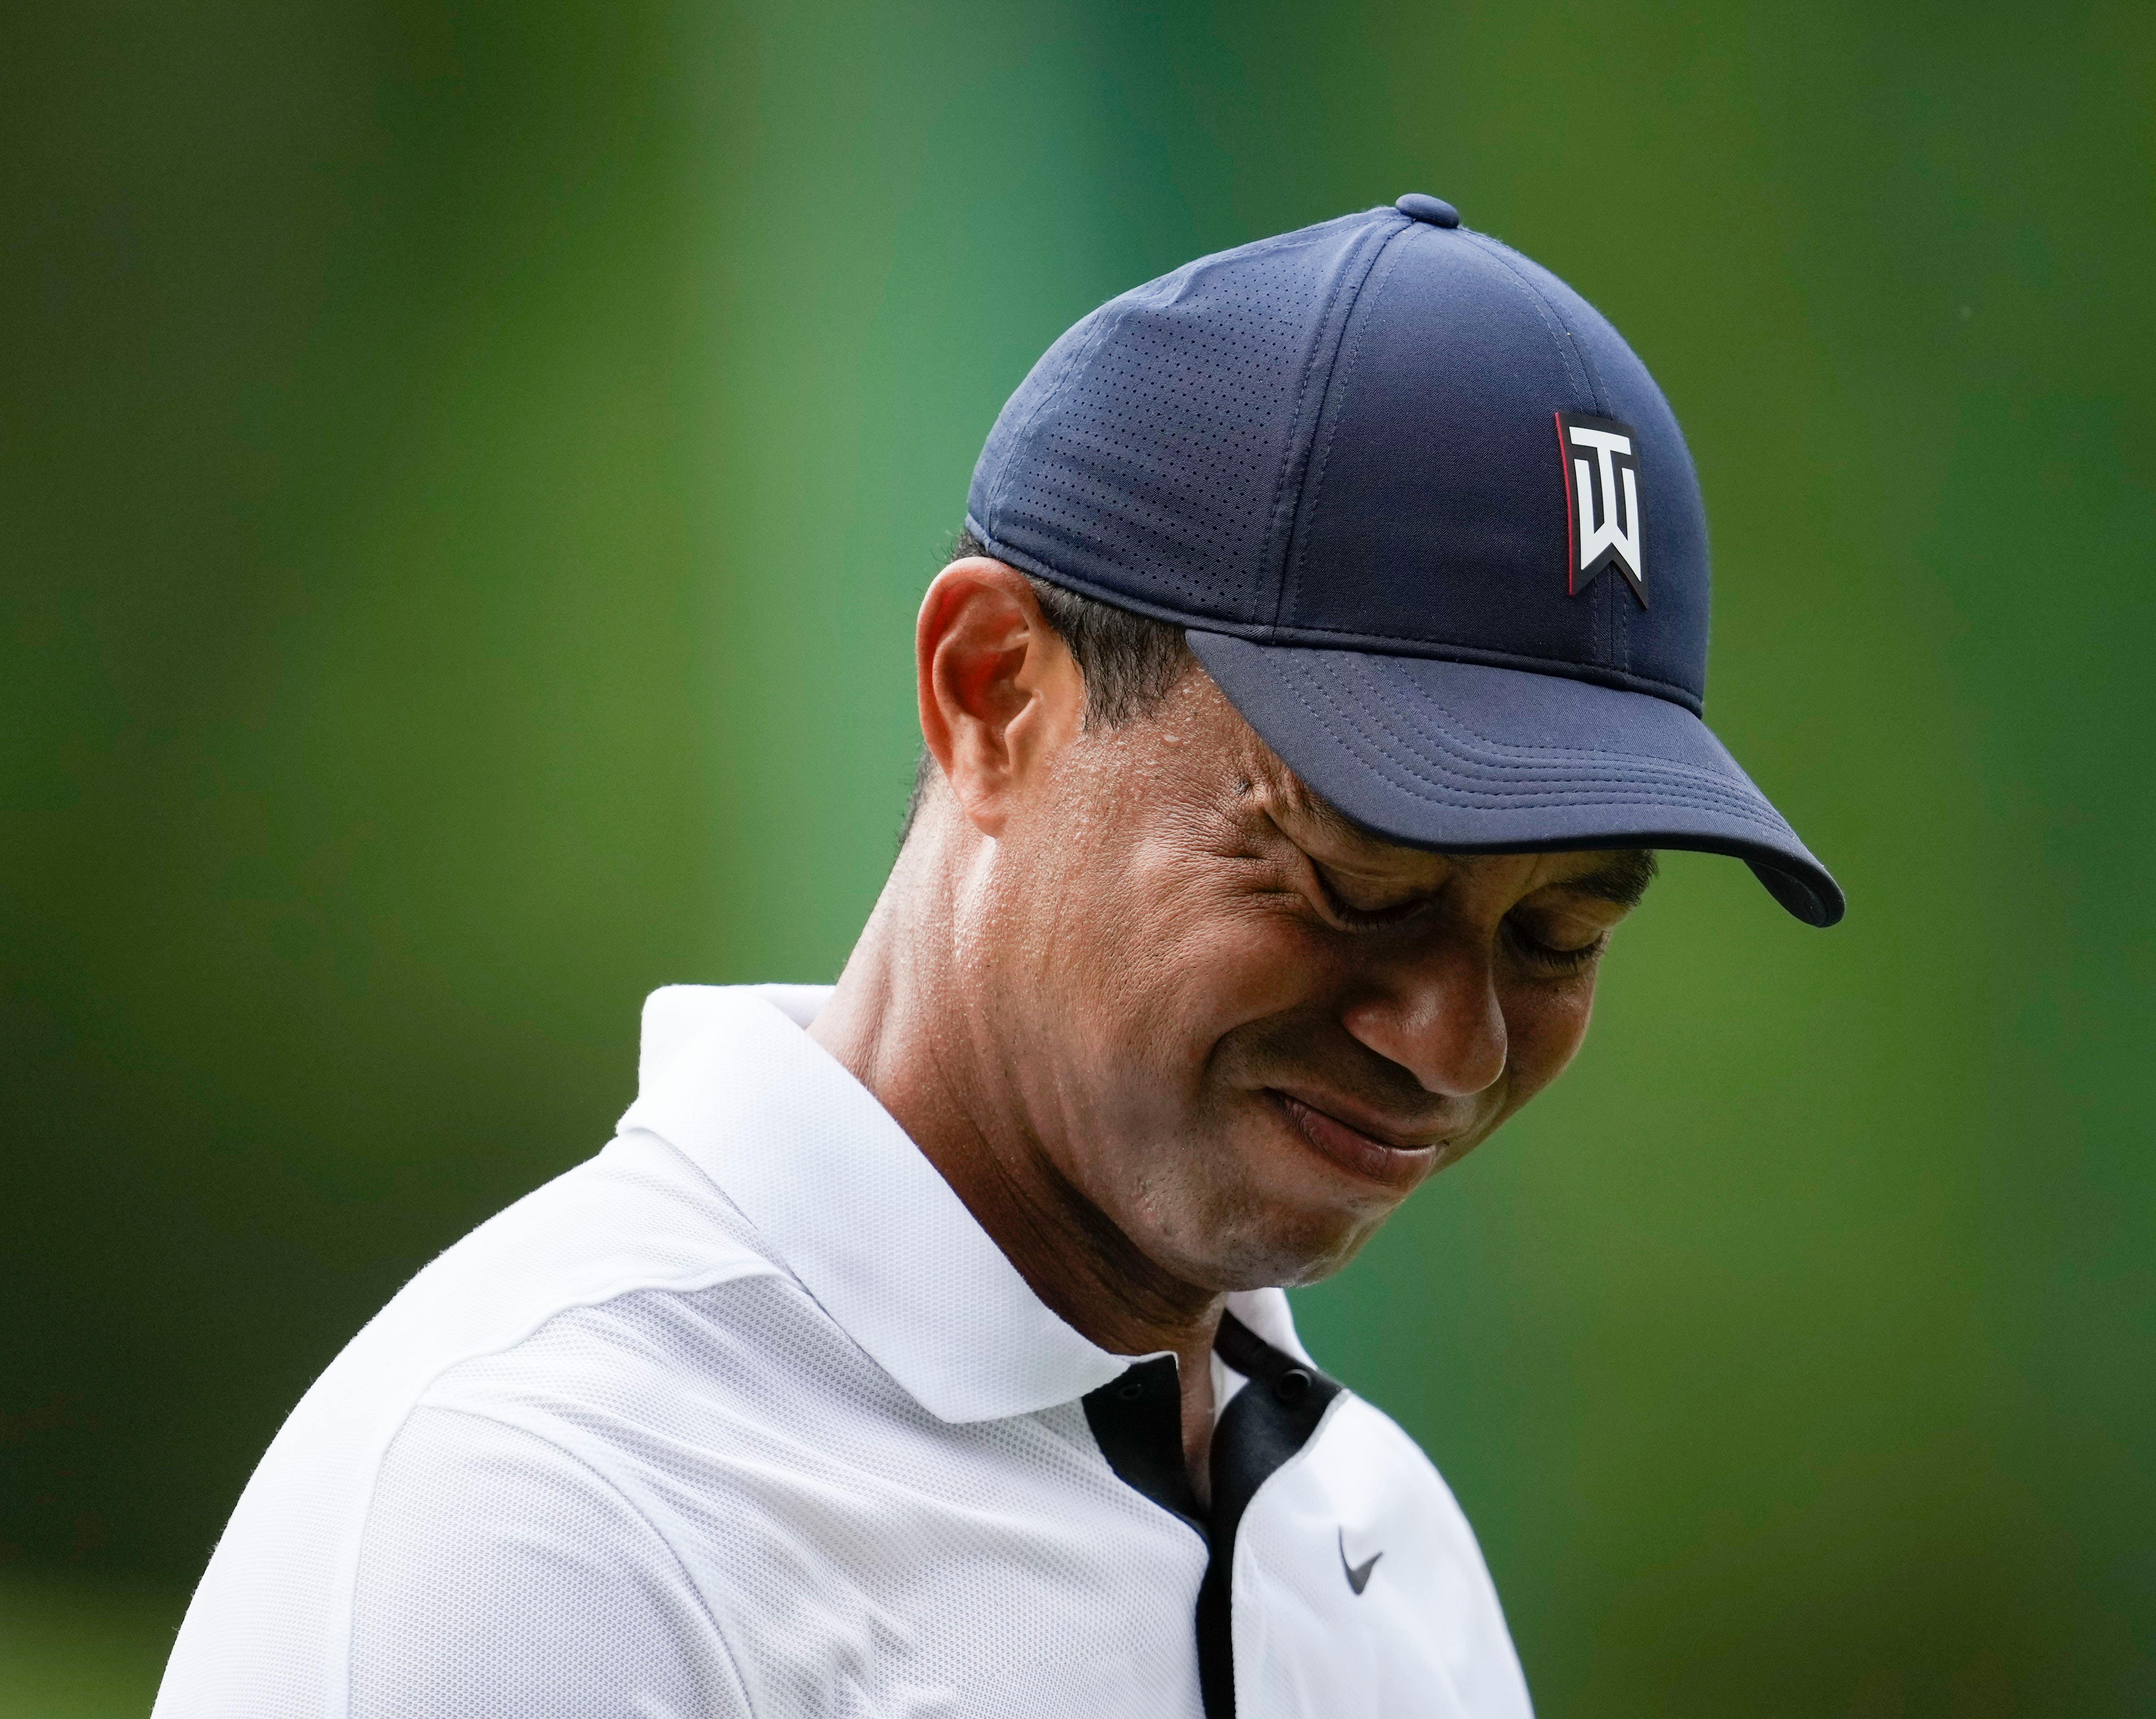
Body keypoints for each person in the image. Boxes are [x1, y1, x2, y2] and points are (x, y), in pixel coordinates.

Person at [152, 192, 1842, 1719]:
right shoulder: (538, 1513)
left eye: (1559, 933)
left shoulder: (1377, 1542)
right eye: (1354, 879)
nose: (1453, 1042)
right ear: (993, 693)